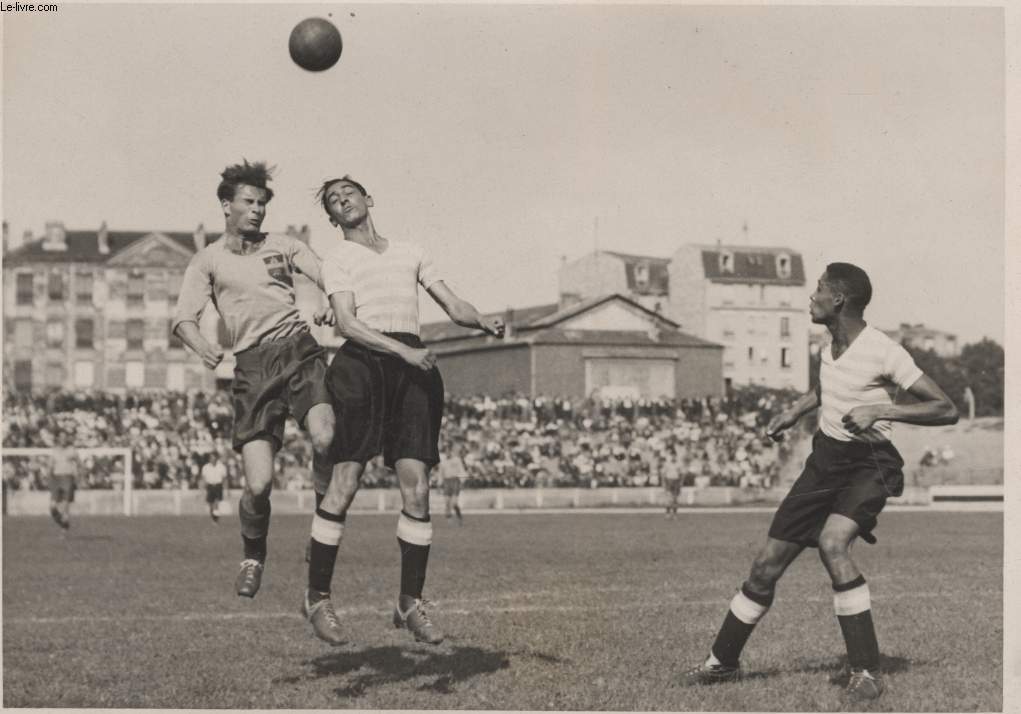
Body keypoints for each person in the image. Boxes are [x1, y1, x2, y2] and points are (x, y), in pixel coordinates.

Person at [680, 263, 958, 702]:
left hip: (870, 464)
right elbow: (829, 389)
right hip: (824, 462)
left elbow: (946, 408)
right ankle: (722, 665)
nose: (811, 297)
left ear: (839, 300)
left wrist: (882, 411)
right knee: (765, 564)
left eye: (819, 290)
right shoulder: (829, 347)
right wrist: (795, 410)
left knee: (833, 544)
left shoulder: (885, 351)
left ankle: (866, 672)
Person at [306, 175, 503, 646]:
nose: (342, 200)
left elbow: (453, 304)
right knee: (346, 481)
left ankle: (409, 602)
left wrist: (481, 320)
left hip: (412, 366)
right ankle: (317, 597)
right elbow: (349, 324)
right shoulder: (339, 258)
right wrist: (403, 352)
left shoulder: (411, 251)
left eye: (348, 192)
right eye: (333, 201)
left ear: (369, 199)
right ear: (333, 219)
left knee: (418, 487)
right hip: (365, 363)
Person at [173, 160, 336, 607]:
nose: (258, 210)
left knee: (326, 438)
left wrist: (335, 304)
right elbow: (183, 319)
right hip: (252, 368)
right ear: (226, 206)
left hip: (299, 351)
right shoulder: (207, 260)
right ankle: (253, 557)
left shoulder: (284, 246)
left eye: (262, 203)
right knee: (260, 485)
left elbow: (331, 276)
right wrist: (201, 346)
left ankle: (325, 525)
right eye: (249, 202)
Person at [49, 434, 78, 532]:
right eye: (61, 437)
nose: (63, 439)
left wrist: (77, 476)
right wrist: (49, 477)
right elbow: (51, 465)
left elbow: (78, 463)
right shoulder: (55, 451)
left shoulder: (71, 450)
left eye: (65, 437)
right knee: (52, 507)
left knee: (65, 504)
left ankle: (64, 525)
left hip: (67, 477)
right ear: (58, 439)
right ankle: (64, 523)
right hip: (56, 478)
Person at [437, 446, 468, 525]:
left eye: (449, 451)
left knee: (454, 503)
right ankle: (449, 521)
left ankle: (459, 517)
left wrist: (462, 481)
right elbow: (440, 474)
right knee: (447, 502)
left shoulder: (457, 460)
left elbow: (461, 470)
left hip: (455, 481)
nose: (447, 453)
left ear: (451, 451)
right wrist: (439, 484)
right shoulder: (443, 462)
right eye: (446, 451)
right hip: (446, 482)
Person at [201, 453, 228, 522]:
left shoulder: (221, 467)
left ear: (216, 458)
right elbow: (203, 478)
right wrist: (202, 488)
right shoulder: (205, 467)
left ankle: (216, 519)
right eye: (211, 458)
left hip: (218, 486)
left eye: (214, 458)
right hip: (210, 486)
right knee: (210, 504)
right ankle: (213, 518)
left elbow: (224, 478)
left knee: (216, 502)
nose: (213, 459)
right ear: (209, 459)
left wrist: (226, 488)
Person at [661, 450, 682, 519]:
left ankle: (675, 514)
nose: (673, 457)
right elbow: (663, 474)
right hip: (669, 481)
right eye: (672, 456)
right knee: (669, 499)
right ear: (670, 456)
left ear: (676, 456)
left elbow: (681, 474)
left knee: (675, 499)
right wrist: (664, 483)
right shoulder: (667, 464)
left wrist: (680, 483)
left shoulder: (678, 464)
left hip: (676, 481)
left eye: (674, 456)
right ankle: (667, 513)